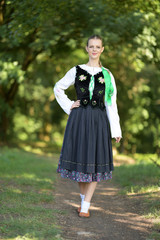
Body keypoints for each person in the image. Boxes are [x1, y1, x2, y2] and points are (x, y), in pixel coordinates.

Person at [53, 34, 122, 218]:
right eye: (91, 46)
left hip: (99, 121)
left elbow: (111, 103)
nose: (94, 49)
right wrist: (69, 105)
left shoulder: (107, 75)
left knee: (95, 161)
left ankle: (85, 205)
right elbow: (58, 87)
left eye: (97, 46)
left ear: (102, 49)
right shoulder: (76, 70)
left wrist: (116, 129)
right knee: (81, 160)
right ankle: (83, 199)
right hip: (79, 119)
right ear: (86, 49)